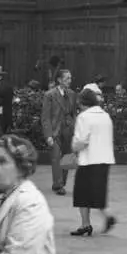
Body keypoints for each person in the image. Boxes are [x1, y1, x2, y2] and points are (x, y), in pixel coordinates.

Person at [71, 87, 116, 237]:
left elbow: (81, 141)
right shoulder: (105, 116)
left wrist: (74, 147)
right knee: (98, 191)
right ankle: (107, 215)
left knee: (82, 193)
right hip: (105, 158)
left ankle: (86, 224)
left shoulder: (84, 117)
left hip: (88, 159)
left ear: (83, 103)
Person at [41, 66, 78, 198]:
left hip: (68, 129)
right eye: (67, 78)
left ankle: (61, 182)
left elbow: (74, 113)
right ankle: (58, 184)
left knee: (67, 156)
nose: (70, 80)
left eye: (70, 78)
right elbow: (45, 117)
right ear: (59, 80)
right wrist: (48, 135)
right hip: (55, 129)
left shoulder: (72, 94)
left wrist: (75, 128)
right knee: (56, 157)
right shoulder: (49, 95)